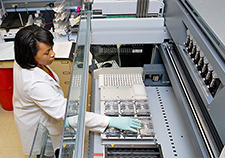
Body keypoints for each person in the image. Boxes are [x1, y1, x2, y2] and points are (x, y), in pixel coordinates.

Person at [13, 25, 141, 157]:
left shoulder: (25, 60)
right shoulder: (34, 83)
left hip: (42, 111)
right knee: (48, 152)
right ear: (30, 56)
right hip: (38, 124)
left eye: (51, 48)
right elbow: (67, 112)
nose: (53, 54)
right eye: (46, 52)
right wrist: (109, 121)